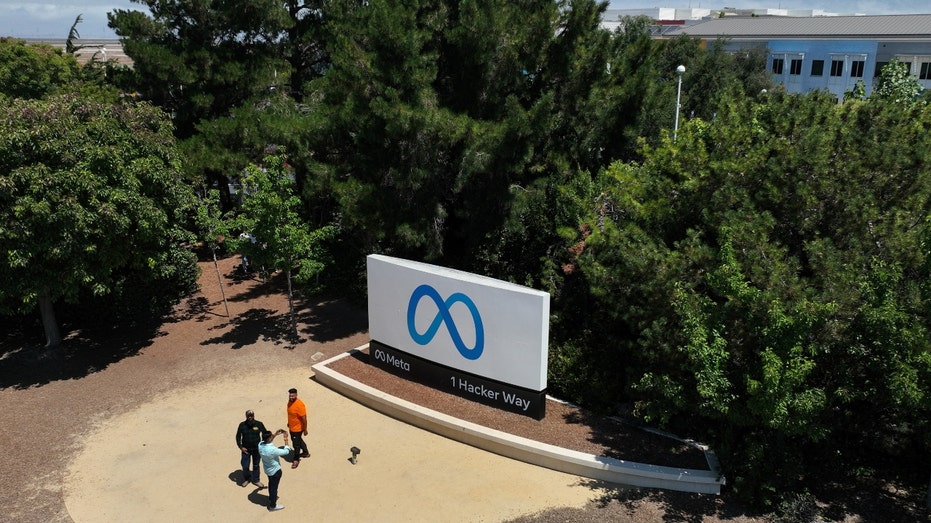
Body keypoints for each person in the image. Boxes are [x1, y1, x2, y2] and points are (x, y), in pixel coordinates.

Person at [258, 429, 291, 512]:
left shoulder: (260, 444)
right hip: (275, 471)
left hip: (268, 470)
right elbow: (286, 451)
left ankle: (271, 498)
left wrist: (276, 434)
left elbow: (268, 440)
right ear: (269, 439)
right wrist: (286, 439)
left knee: (271, 484)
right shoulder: (272, 450)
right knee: (274, 488)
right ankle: (273, 505)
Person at [235, 410, 267, 488]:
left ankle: (256, 480)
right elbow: (238, 436)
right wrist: (241, 447)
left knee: (256, 465)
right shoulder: (242, 425)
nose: (250, 417)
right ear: (246, 416)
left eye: (251, 415)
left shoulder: (259, 424)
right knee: (245, 465)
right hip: (246, 450)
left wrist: (263, 444)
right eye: (248, 416)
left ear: (253, 415)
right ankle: (247, 479)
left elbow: (265, 433)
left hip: (256, 449)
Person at [286, 388, 309, 468]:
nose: (291, 397)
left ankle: (296, 460)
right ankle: (305, 452)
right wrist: (289, 422)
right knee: (298, 440)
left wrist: (305, 429)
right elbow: (290, 414)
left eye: (293, 396)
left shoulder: (299, 404)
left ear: (296, 395)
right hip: (292, 427)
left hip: (298, 429)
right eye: (290, 396)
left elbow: (304, 419)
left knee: (296, 445)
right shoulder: (289, 402)